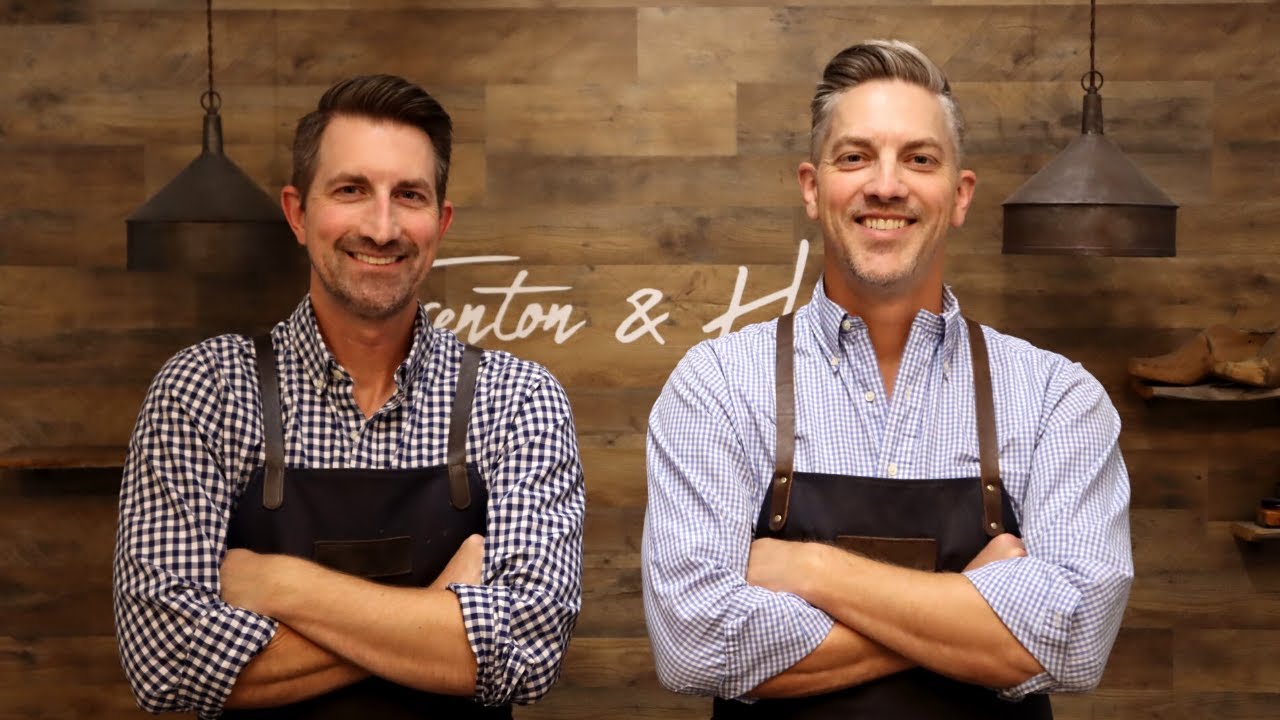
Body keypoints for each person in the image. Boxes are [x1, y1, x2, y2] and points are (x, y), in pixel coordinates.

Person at [642, 40, 1133, 719]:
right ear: (812, 188)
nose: (886, 185)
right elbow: (694, 645)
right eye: (855, 157)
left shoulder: (1056, 397)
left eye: (919, 159)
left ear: (959, 195)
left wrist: (814, 570)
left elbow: (1073, 644)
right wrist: (971, 605)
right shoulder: (718, 386)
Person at [113, 74, 585, 718]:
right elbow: (167, 666)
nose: (382, 227)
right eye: (351, 190)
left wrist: (281, 584)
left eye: (409, 195)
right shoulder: (204, 390)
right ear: (297, 214)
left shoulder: (518, 399)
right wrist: (437, 615)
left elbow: (525, 655)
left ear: (441, 223)